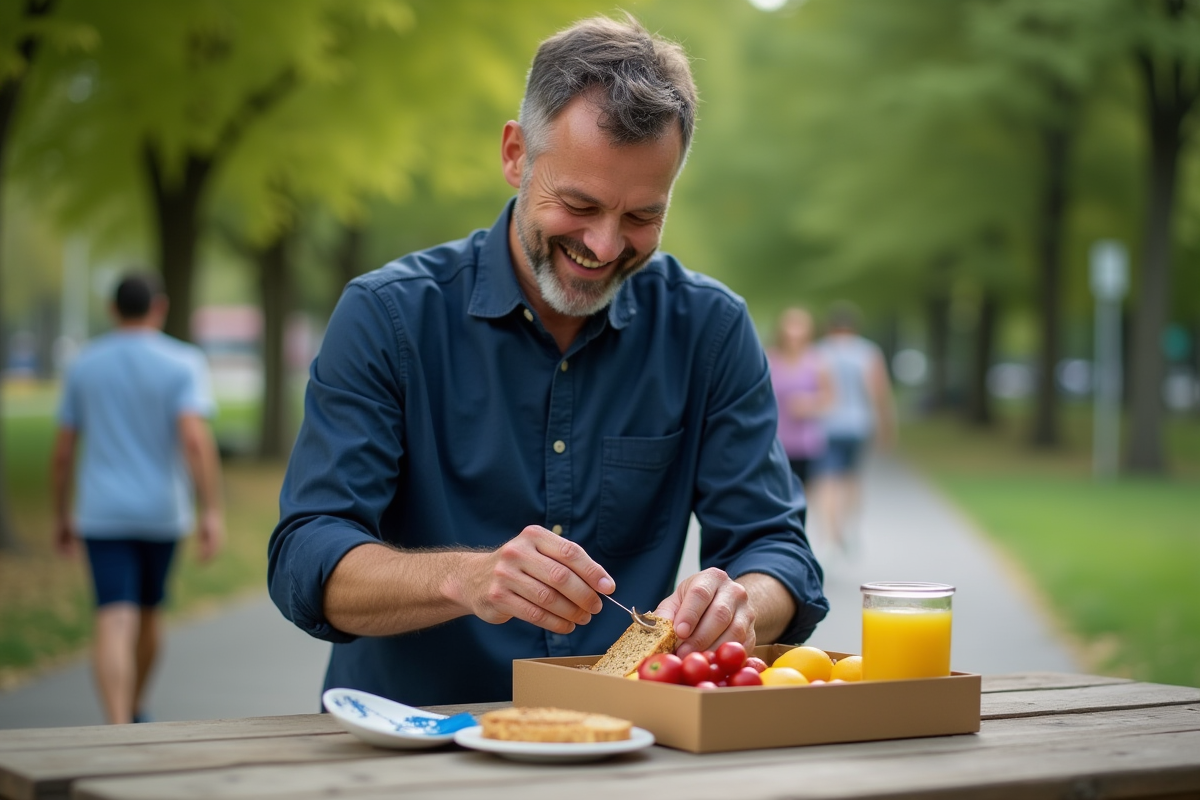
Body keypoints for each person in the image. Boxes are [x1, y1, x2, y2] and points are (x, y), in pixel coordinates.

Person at [268, 14, 828, 707]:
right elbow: (306, 556)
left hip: (622, 735)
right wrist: (463, 579)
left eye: (642, 216)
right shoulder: (386, 316)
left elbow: (779, 553)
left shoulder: (710, 329)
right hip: (411, 737)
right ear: (515, 155)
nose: (604, 244)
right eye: (579, 204)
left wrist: (741, 602)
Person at [51, 272, 224, 724]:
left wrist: (60, 514)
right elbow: (195, 441)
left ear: (112, 310)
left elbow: (63, 452)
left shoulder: (84, 365)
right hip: (161, 512)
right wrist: (212, 511)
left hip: (101, 512)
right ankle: (131, 713)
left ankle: (117, 722)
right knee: (149, 614)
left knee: (113, 618)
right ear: (159, 307)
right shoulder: (183, 362)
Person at [811, 301, 896, 554]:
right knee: (852, 479)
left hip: (825, 425)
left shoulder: (819, 352)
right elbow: (878, 392)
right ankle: (848, 530)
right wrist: (886, 427)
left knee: (826, 481)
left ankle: (830, 536)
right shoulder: (867, 352)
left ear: (830, 326)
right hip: (859, 424)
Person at [767, 307, 834, 489]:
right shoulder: (769, 359)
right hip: (773, 440)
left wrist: (810, 404)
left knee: (801, 491)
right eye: (790, 326)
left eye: (799, 327)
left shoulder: (817, 361)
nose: (793, 333)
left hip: (805, 443)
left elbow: (830, 399)